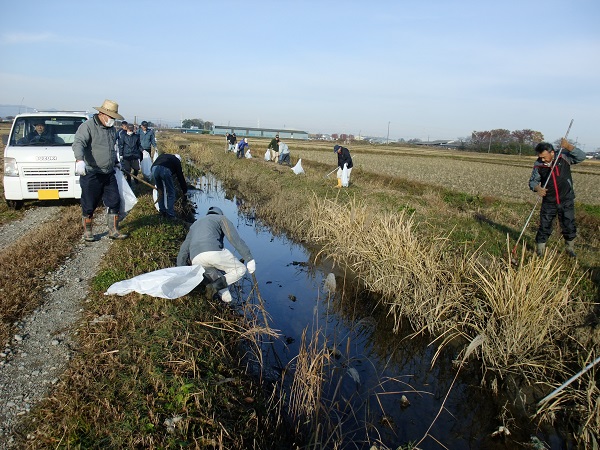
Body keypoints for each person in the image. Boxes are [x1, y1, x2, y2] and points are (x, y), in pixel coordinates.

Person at [73, 99, 127, 241]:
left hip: (108, 173)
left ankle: (113, 230)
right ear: (102, 114)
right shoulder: (88, 127)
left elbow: (111, 148)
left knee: (115, 201)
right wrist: (79, 160)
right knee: (89, 203)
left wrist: (116, 162)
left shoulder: (111, 130)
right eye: (111, 117)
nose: (112, 121)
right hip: (92, 173)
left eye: (114, 118)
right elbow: (78, 143)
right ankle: (88, 232)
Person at [176, 206, 256, 303]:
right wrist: (249, 258)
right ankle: (213, 287)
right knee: (240, 269)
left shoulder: (195, 224)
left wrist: (180, 269)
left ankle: (224, 300)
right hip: (213, 252)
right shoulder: (221, 219)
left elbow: (184, 249)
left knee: (220, 284)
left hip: (196, 259)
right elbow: (234, 239)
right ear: (220, 213)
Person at [529, 139, 586, 257]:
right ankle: (540, 250)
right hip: (549, 201)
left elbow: (581, 157)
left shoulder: (564, 157)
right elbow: (533, 182)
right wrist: (537, 189)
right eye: (540, 157)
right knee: (545, 225)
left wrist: (569, 146)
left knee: (568, 225)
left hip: (566, 199)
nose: (542, 159)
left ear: (552, 153)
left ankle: (569, 249)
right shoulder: (538, 165)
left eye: (544, 157)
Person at [151, 152, 188, 219]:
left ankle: (162, 211)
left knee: (160, 191)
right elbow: (180, 177)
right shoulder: (177, 161)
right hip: (165, 170)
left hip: (154, 168)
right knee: (171, 193)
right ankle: (170, 214)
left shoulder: (164, 155)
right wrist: (185, 190)